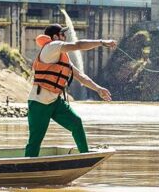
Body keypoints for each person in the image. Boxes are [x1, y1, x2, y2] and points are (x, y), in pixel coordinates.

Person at [25, 24, 116, 157]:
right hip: (39, 103)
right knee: (35, 141)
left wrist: (98, 89)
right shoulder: (52, 46)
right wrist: (102, 42)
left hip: (55, 102)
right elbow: (78, 45)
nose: (65, 37)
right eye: (63, 34)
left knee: (76, 123)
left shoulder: (62, 56)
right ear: (55, 37)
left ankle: (85, 155)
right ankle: (28, 169)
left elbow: (80, 76)